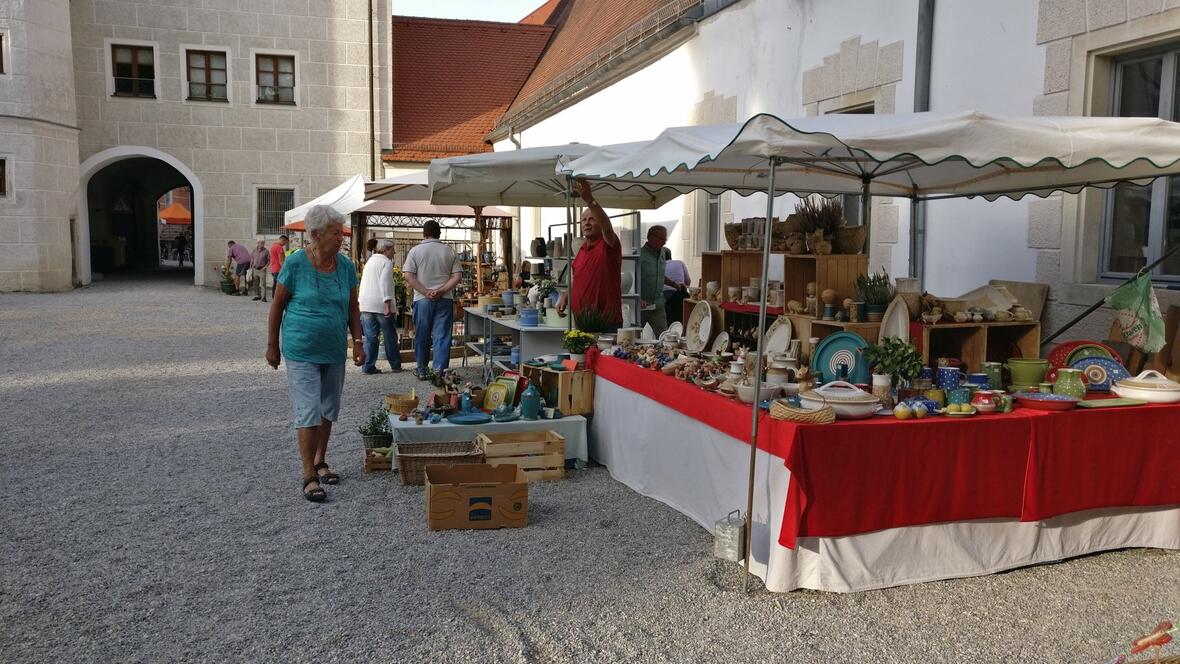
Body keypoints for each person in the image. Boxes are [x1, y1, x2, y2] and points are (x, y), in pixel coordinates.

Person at [266, 205, 363, 503]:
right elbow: (277, 306)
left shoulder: (345, 266)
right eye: (336, 233)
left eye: (341, 233)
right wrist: (273, 345)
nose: (341, 239)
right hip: (301, 349)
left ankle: (321, 460)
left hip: (333, 349)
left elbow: (352, 307)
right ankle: (309, 475)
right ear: (316, 235)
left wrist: (358, 341)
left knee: (328, 407)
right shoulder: (295, 263)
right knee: (308, 409)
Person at [556, 179, 622, 329]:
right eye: (583, 220)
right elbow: (578, 279)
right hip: (582, 321)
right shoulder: (582, 250)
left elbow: (607, 228)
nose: (587, 223)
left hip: (606, 322)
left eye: (592, 219)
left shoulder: (608, 244)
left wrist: (589, 200)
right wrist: (566, 296)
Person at [403, 220, 462, 380]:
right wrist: (441, 290)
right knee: (442, 336)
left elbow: (408, 274)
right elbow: (457, 276)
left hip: (422, 299)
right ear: (439, 233)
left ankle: (422, 370)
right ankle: (439, 372)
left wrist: (426, 291)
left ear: (423, 233)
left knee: (422, 335)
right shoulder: (449, 251)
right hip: (445, 299)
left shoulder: (415, 251)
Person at [358, 238, 402, 374]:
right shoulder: (386, 263)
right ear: (386, 250)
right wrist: (387, 303)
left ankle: (368, 366)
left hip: (366, 304)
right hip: (381, 305)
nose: (394, 253)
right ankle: (395, 365)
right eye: (393, 250)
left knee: (370, 337)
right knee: (390, 337)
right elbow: (385, 283)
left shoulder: (370, 261)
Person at [638, 225, 674, 336]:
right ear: (651, 238)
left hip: (658, 304)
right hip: (642, 306)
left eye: (665, 239)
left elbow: (659, 275)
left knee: (665, 337)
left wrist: (674, 284)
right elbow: (631, 279)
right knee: (633, 338)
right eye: (661, 239)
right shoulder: (639, 255)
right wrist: (638, 299)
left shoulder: (663, 253)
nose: (664, 242)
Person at [663, 246, 691, 325]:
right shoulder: (680, 263)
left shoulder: (660, 265)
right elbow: (688, 282)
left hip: (664, 297)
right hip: (679, 296)